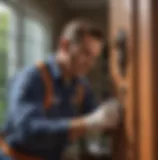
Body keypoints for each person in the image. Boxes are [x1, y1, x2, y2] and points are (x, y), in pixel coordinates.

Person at [0, 20, 121, 160]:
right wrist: (88, 123)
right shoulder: (32, 78)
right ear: (64, 45)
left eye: (94, 57)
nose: (90, 64)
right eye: (85, 53)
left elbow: (95, 117)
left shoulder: (81, 85)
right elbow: (27, 131)